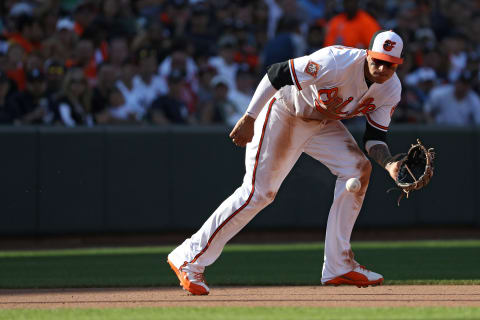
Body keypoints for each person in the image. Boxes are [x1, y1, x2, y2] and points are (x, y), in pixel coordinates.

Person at [167, 30, 405, 295]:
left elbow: (374, 138)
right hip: (286, 110)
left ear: (398, 64)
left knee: (358, 170)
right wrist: (249, 117)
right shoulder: (336, 62)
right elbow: (277, 73)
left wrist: (390, 164)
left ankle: (339, 265)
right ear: (367, 54)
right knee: (258, 193)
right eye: (378, 60)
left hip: (321, 123)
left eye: (390, 64)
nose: (383, 68)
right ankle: (188, 257)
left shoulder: (391, 89)